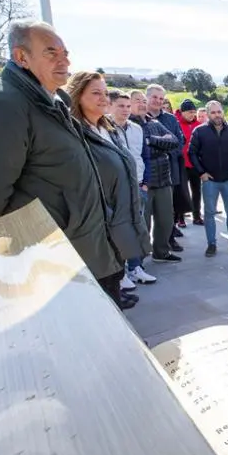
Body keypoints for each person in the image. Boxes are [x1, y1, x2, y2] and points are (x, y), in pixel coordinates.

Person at [0, 20, 122, 301]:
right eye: (51, 52)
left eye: (65, 53)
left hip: (78, 253)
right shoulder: (7, 103)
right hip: (49, 263)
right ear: (21, 57)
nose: (64, 60)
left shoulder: (51, 102)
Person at [67, 71, 151, 310]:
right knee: (101, 289)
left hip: (118, 219)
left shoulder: (108, 128)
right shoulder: (73, 132)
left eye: (105, 93)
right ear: (76, 95)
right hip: (98, 223)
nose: (104, 98)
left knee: (113, 279)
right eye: (95, 93)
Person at [108, 90, 157, 286]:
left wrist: (145, 183)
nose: (126, 110)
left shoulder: (137, 128)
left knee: (138, 227)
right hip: (117, 188)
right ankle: (120, 273)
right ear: (110, 106)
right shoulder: (104, 129)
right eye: (121, 106)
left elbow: (144, 157)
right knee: (119, 231)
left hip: (138, 186)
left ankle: (136, 268)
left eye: (128, 106)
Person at [129, 90, 182, 264]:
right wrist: (160, 144)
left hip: (164, 180)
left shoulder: (154, 123)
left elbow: (174, 141)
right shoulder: (127, 126)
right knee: (144, 223)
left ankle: (162, 252)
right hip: (144, 183)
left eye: (144, 101)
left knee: (166, 220)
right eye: (138, 100)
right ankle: (140, 259)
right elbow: (139, 152)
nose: (143, 104)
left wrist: (151, 140)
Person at [189, 101, 228, 258]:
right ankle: (211, 244)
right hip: (210, 181)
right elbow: (192, 153)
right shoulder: (200, 131)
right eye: (213, 112)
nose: (217, 115)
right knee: (209, 213)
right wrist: (202, 173)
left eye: (219, 112)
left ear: (223, 112)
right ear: (208, 114)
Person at [146, 84, 187, 246]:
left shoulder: (170, 119)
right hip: (148, 173)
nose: (158, 101)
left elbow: (179, 141)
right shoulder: (140, 118)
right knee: (146, 212)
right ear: (147, 96)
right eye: (154, 97)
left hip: (169, 170)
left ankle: (169, 240)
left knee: (168, 210)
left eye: (161, 98)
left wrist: (162, 151)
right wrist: (163, 146)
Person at [176, 99, 203, 225]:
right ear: (182, 112)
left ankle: (196, 216)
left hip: (195, 164)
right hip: (182, 164)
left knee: (197, 191)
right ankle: (181, 218)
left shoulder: (199, 125)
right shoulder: (176, 124)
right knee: (183, 192)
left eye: (193, 112)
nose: (192, 114)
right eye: (189, 112)